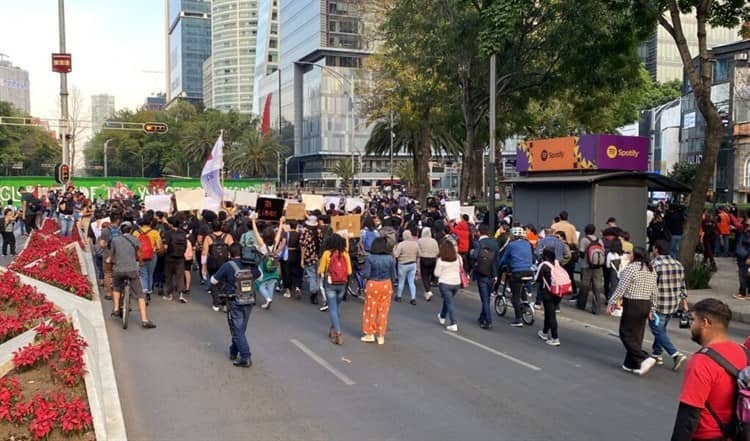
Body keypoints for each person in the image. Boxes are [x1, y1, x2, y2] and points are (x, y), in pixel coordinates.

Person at [670, 299, 748, 441]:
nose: (690, 325)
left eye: (693, 319)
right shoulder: (743, 352)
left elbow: (688, 417)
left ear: (704, 323)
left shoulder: (701, 362)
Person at [607, 247, 658, 376]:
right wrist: (653, 308)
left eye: (630, 253)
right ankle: (631, 363)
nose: (628, 255)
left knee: (625, 332)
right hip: (645, 304)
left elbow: (621, 288)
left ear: (635, 256)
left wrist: (612, 302)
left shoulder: (631, 269)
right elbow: (655, 292)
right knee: (636, 334)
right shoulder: (651, 270)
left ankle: (644, 357)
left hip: (633, 303)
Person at [210, 243, 253, 368]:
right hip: (249, 300)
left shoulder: (228, 265)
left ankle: (245, 356)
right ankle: (233, 351)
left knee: (237, 330)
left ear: (230, 254)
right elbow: (259, 275)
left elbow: (213, 280)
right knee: (241, 329)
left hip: (235, 300)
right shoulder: (250, 263)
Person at [109, 222, 156, 329]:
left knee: (116, 287)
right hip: (132, 270)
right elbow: (139, 254)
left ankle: (116, 308)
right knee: (140, 294)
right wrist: (141, 262)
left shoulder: (115, 240)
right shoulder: (135, 240)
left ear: (120, 230)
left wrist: (110, 260)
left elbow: (112, 255)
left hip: (118, 269)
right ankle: (144, 320)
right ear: (130, 230)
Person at [650, 240, 689, 371]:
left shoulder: (655, 264)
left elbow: (651, 286)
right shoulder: (678, 264)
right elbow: (682, 285)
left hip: (659, 304)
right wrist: (684, 302)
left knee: (657, 329)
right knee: (661, 330)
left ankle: (675, 354)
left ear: (656, 249)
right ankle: (656, 353)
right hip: (673, 303)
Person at [361, 237, 396, 345]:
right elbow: (393, 275)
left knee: (370, 309)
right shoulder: (390, 258)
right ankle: (381, 335)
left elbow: (366, 274)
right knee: (383, 311)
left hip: (373, 284)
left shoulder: (370, 258)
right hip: (386, 284)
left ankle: (370, 333)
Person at [318, 233, 352, 344]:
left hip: (330, 283)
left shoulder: (326, 254)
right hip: (342, 284)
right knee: (337, 307)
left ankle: (338, 333)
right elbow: (349, 271)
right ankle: (332, 329)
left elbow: (321, 270)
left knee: (332, 309)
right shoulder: (345, 254)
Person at [497, 226, 534, 327]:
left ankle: (518, 319)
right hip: (529, 272)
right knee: (522, 288)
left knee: (515, 296)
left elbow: (504, 259)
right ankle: (525, 302)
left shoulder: (511, 245)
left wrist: (499, 266)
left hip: (517, 272)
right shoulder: (528, 244)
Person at [251, 216, 283, 310]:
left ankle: (268, 299)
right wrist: (281, 222)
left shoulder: (261, 243)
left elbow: (255, 232)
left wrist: (253, 221)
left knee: (259, 284)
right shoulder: (275, 242)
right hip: (274, 266)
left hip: (263, 266)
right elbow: (279, 232)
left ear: (264, 235)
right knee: (271, 283)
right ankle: (268, 300)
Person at [471, 223, 499, 330]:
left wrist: (472, 252)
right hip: (493, 274)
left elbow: (474, 256)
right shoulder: (495, 243)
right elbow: (497, 260)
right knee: (487, 297)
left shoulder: (478, 243)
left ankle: (488, 320)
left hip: (482, 273)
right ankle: (482, 317)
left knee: (484, 299)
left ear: (479, 232)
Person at [577, 224, 606, 314]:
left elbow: (581, 253)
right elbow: (603, 252)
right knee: (597, 287)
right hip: (598, 266)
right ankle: (596, 309)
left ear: (585, 231)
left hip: (586, 266)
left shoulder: (584, 239)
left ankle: (581, 305)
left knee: (584, 286)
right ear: (594, 231)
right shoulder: (599, 240)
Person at [435, 240, 462, 332]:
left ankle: (453, 323)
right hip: (456, 283)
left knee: (449, 302)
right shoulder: (458, 258)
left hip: (445, 283)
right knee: (448, 300)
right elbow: (460, 268)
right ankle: (442, 316)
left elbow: (437, 273)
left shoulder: (440, 260)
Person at [536, 248, 561, 346]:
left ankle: (555, 338)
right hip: (558, 292)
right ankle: (544, 332)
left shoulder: (544, 265)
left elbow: (537, 278)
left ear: (545, 256)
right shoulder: (557, 263)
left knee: (551, 315)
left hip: (548, 292)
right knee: (549, 312)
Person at [133, 218, 162, 301]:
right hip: (152, 255)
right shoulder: (155, 232)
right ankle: (149, 291)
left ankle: (144, 291)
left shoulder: (136, 232)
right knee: (150, 274)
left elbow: (134, 245)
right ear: (150, 223)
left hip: (140, 255)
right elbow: (159, 246)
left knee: (142, 274)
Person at [162, 217, 187, 302]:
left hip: (170, 257)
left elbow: (165, 247)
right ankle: (181, 294)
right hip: (180, 257)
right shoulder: (183, 233)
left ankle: (170, 295)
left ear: (171, 224)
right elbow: (185, 245)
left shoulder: (168, 233)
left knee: (169, 276)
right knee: (180, 276)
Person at [393, 230, 420, 304]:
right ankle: (413, 298)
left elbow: (396, 255)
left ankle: (399, 296)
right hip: (412, 264)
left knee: (401, 281)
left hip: (403, 264)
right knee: (411, 281)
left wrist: (394, 248)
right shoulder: (415, 244)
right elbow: (418, 254)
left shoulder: (401, 244)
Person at [300, 215, 322, 304]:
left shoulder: (305, 232)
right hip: (318, 256)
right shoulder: (319, 232)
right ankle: (315, 292)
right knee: (317, 275)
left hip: (309, 257)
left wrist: (302, 259)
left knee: (312, 275)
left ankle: (314, 292)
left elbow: (303, 247)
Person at [417, 227, 439, 301]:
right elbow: (437, 251)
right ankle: (428, 288)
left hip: (423, 258)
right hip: (432, 259)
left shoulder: (420, 241)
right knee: (430, 274)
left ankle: (427, 290)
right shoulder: (434, 241)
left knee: (424, 275)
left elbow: (418, 250)